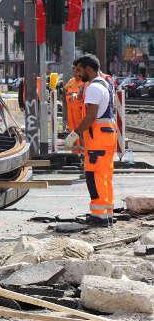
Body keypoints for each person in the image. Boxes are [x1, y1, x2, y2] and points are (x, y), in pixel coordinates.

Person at [66, 54, 117, 227]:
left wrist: (75, 133)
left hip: (98, 140)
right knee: (105, 176)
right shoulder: (105, 84)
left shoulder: (94, 88)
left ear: (89, 69)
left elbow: (90, 117)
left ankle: (99, 216)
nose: (78, 74)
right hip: (107, 136)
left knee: (93, 176)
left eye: (80, 70)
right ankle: (107, 213)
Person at [64, 60, 84, 136]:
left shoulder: (84, 82)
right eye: (74, 71)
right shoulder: (71, 81)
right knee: (72, 130)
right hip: (70, 111)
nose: (75, 73)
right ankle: (75, 147)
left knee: (80, 130)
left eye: (77, 71)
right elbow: (65, 90)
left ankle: (81, 146)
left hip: (79, 112)